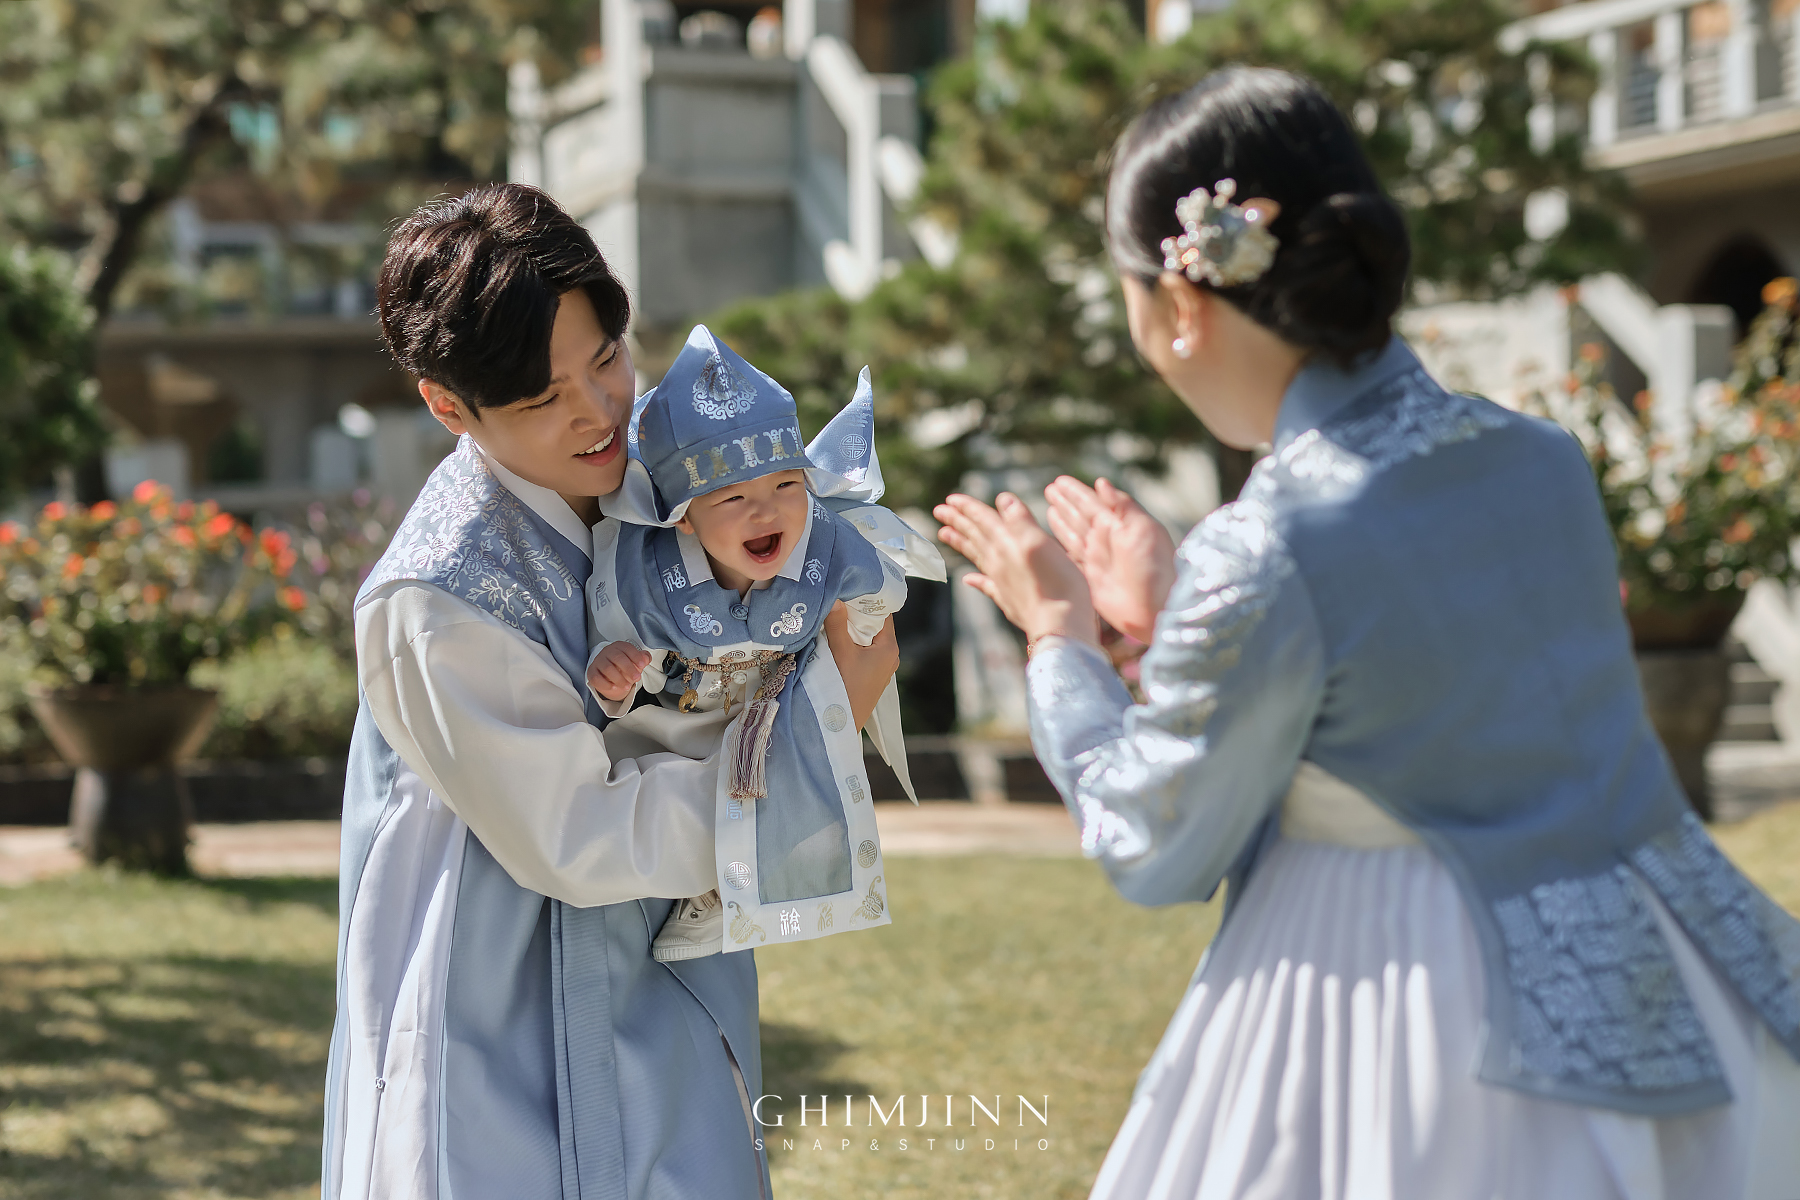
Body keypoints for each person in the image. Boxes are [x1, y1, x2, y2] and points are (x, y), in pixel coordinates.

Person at [934, 68, 1800, 1200]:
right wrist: (1185, 607)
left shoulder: (1270, 543)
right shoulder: (1540, 458)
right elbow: (1414, 676)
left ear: (1182, 302)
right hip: (1658, 962)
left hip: (1397, 1000)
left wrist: (1063, 640)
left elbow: (1154, 840)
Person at [323, 182, 898, 1200]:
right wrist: (819, 737)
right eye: (542, 399)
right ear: (449, 406)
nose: (597, 413)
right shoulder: (439, 596)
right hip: (491, 985)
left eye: (606, 360)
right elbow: (580, 837)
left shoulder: (661, 473)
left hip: (655, 948)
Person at [584, 324, 942, 961]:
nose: (766, 511)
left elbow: (877, 590)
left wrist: (858, 633)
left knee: (800, 769)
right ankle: (710, 881)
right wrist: (616, 673)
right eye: (732, 497)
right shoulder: (647, 575)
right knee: (663, 783)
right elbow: (630, 662)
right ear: (682, 517)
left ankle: (729, 896)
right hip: (684, 722)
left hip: (786, 705)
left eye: (785, 486)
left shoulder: (826, 542)